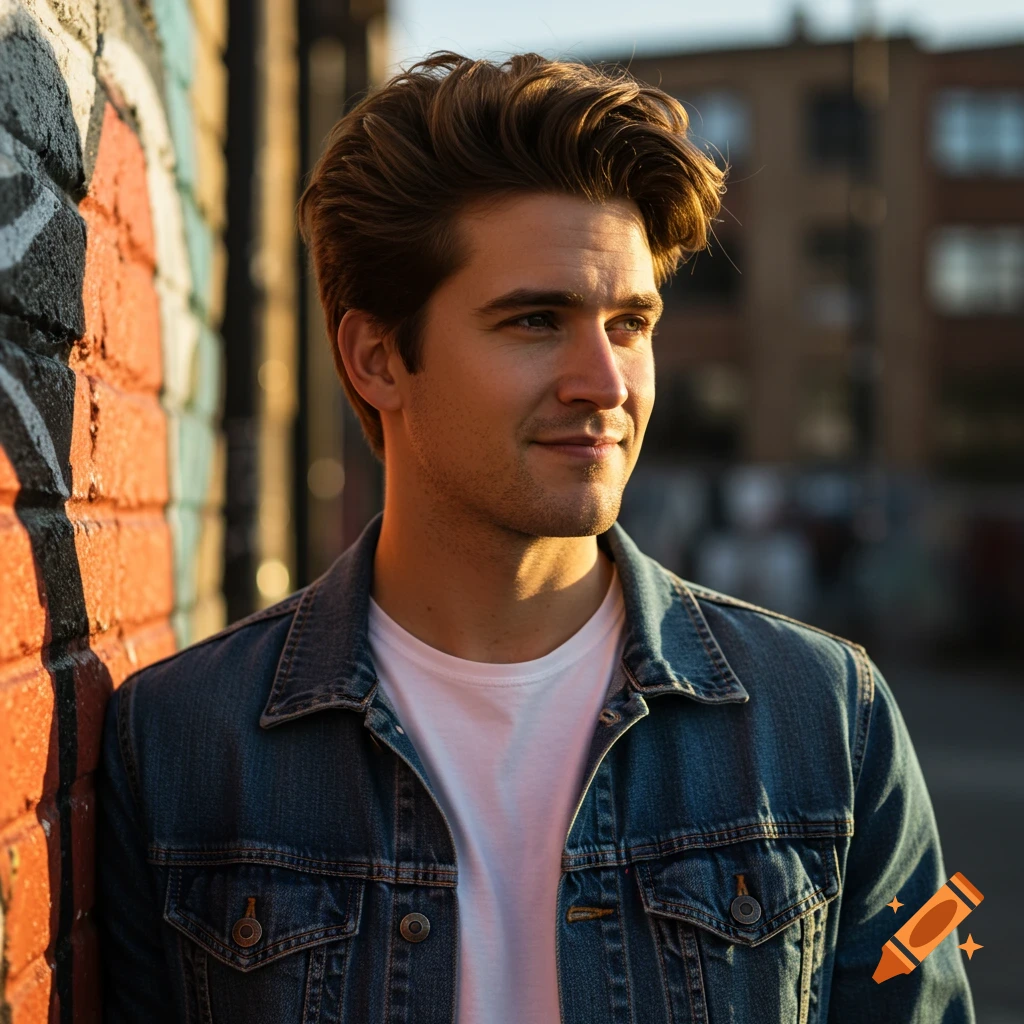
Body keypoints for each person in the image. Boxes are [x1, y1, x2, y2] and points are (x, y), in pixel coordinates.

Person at [97, 52, 975, 1024]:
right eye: (535, 319)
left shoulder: (828, 720)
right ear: (377, 357)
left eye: (630, 322)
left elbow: (925, 982)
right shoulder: (183, 745)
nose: (605, 381)